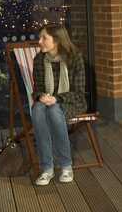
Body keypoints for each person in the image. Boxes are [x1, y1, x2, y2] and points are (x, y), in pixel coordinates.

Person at [30, 23, 88, 185]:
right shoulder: (40, 59)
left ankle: (65, 165)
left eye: (44, 38)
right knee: (38, 108)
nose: (39, 41)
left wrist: (56, 99)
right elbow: (37, 90)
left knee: (54, 110)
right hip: (49, 102)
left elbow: (78, 93)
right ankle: (47, 168)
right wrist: (42, 96)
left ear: (56, 40)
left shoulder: (75, 58)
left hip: (72, 102)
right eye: (40, 37)